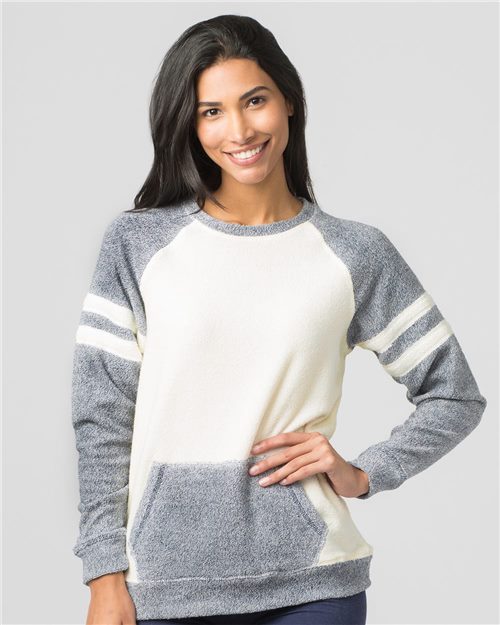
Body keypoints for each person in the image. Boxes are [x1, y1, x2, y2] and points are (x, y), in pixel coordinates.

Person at [70, 14, 487, 625]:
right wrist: (103, 573)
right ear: (190, 124)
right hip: (166, 585)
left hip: (316, 584)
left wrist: (364, 473)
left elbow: (455, 396)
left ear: (289, 101)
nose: (239, 130)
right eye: (211, 111)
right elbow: (101, 417)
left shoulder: (354, 253)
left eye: (255, 101)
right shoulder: (139, 245)